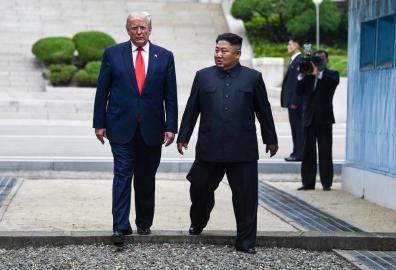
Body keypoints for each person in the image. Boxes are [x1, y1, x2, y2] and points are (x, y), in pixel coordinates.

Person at [177, 33, 278, 254]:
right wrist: (183, 136)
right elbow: (192, 108)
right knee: (199, 189)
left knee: (246, 198)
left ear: (237, 54)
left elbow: (264, 111)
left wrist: (270, 139)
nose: (218, 55)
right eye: (216, 50)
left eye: (224, 51)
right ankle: (199, 220)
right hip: (209, 148)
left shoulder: (253, 78)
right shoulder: (203, 77)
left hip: (242, 150)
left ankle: (245, 242)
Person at [93, 11, 178, 246]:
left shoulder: (165, 56)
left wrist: (171, 126)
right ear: (127, 29)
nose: (139, 32)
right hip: (120, 126)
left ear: (150, 29)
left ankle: (143, 222)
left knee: (146, 176)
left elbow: (170, 96)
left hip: (152, 128)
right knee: (122, 174)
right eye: (134, 28)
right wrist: (99, 123)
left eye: (143, 28)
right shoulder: (112, 54)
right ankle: (119, 226)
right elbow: (103, 91)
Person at [296, 50, 339, 191]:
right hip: (309, 118)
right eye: (317, 59)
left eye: (321, 59)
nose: (319, 62)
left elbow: (331, 84)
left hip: (324, 119)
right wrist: (302, 75)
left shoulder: (331, 75)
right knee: (308, 151)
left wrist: (318, 73)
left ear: (327, 60)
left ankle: (326, 183)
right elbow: (298, 92)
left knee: (325, 151)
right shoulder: (307, 75)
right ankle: (308, 183)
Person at [281, 38, 304, 162]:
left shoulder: (299, 60)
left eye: (289, 44)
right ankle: (296, 151)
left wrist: (295, 100)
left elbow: (298, 82)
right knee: (295, 128)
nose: (288, 46)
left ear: (296, 45)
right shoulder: (294, 60)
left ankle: (299, 153)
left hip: (296, 103)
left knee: (298, 128)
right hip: (292, 102)